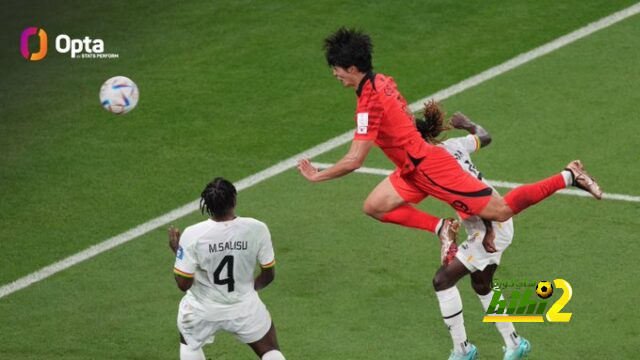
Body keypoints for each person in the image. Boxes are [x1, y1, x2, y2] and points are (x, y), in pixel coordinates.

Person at [297, 27, 602, 264]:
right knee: (374, 207)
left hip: (427, 169)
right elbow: (402, 115)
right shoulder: (382, 81)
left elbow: (354, 160)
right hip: (411, 168)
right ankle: (442, 228)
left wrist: (317, 175)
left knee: (502, 210)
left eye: (335, 67)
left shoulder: (368, 102)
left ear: (351, 67)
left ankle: (569, 176)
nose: (334, 73)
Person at [417, 102, 529, 360]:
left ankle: (463, 350)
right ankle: (515, 343)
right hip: (493, 217)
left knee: (442, 280)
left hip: (489, 222)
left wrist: (488, 231)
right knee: (482, 284)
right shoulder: (453, 146)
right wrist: (467, 123)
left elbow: (470, 199)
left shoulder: (434, 164)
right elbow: (484, 137)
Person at [168, 177, 285, 360]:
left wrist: (179, 251)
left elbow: (183, 284)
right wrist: (246, 290)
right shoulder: (257, 228)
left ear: (207, 205)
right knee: (270, 350)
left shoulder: (192, 234)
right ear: (234, 200)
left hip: (203, 309)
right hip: (245, 307)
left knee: (189, 341)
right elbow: (268, 275)